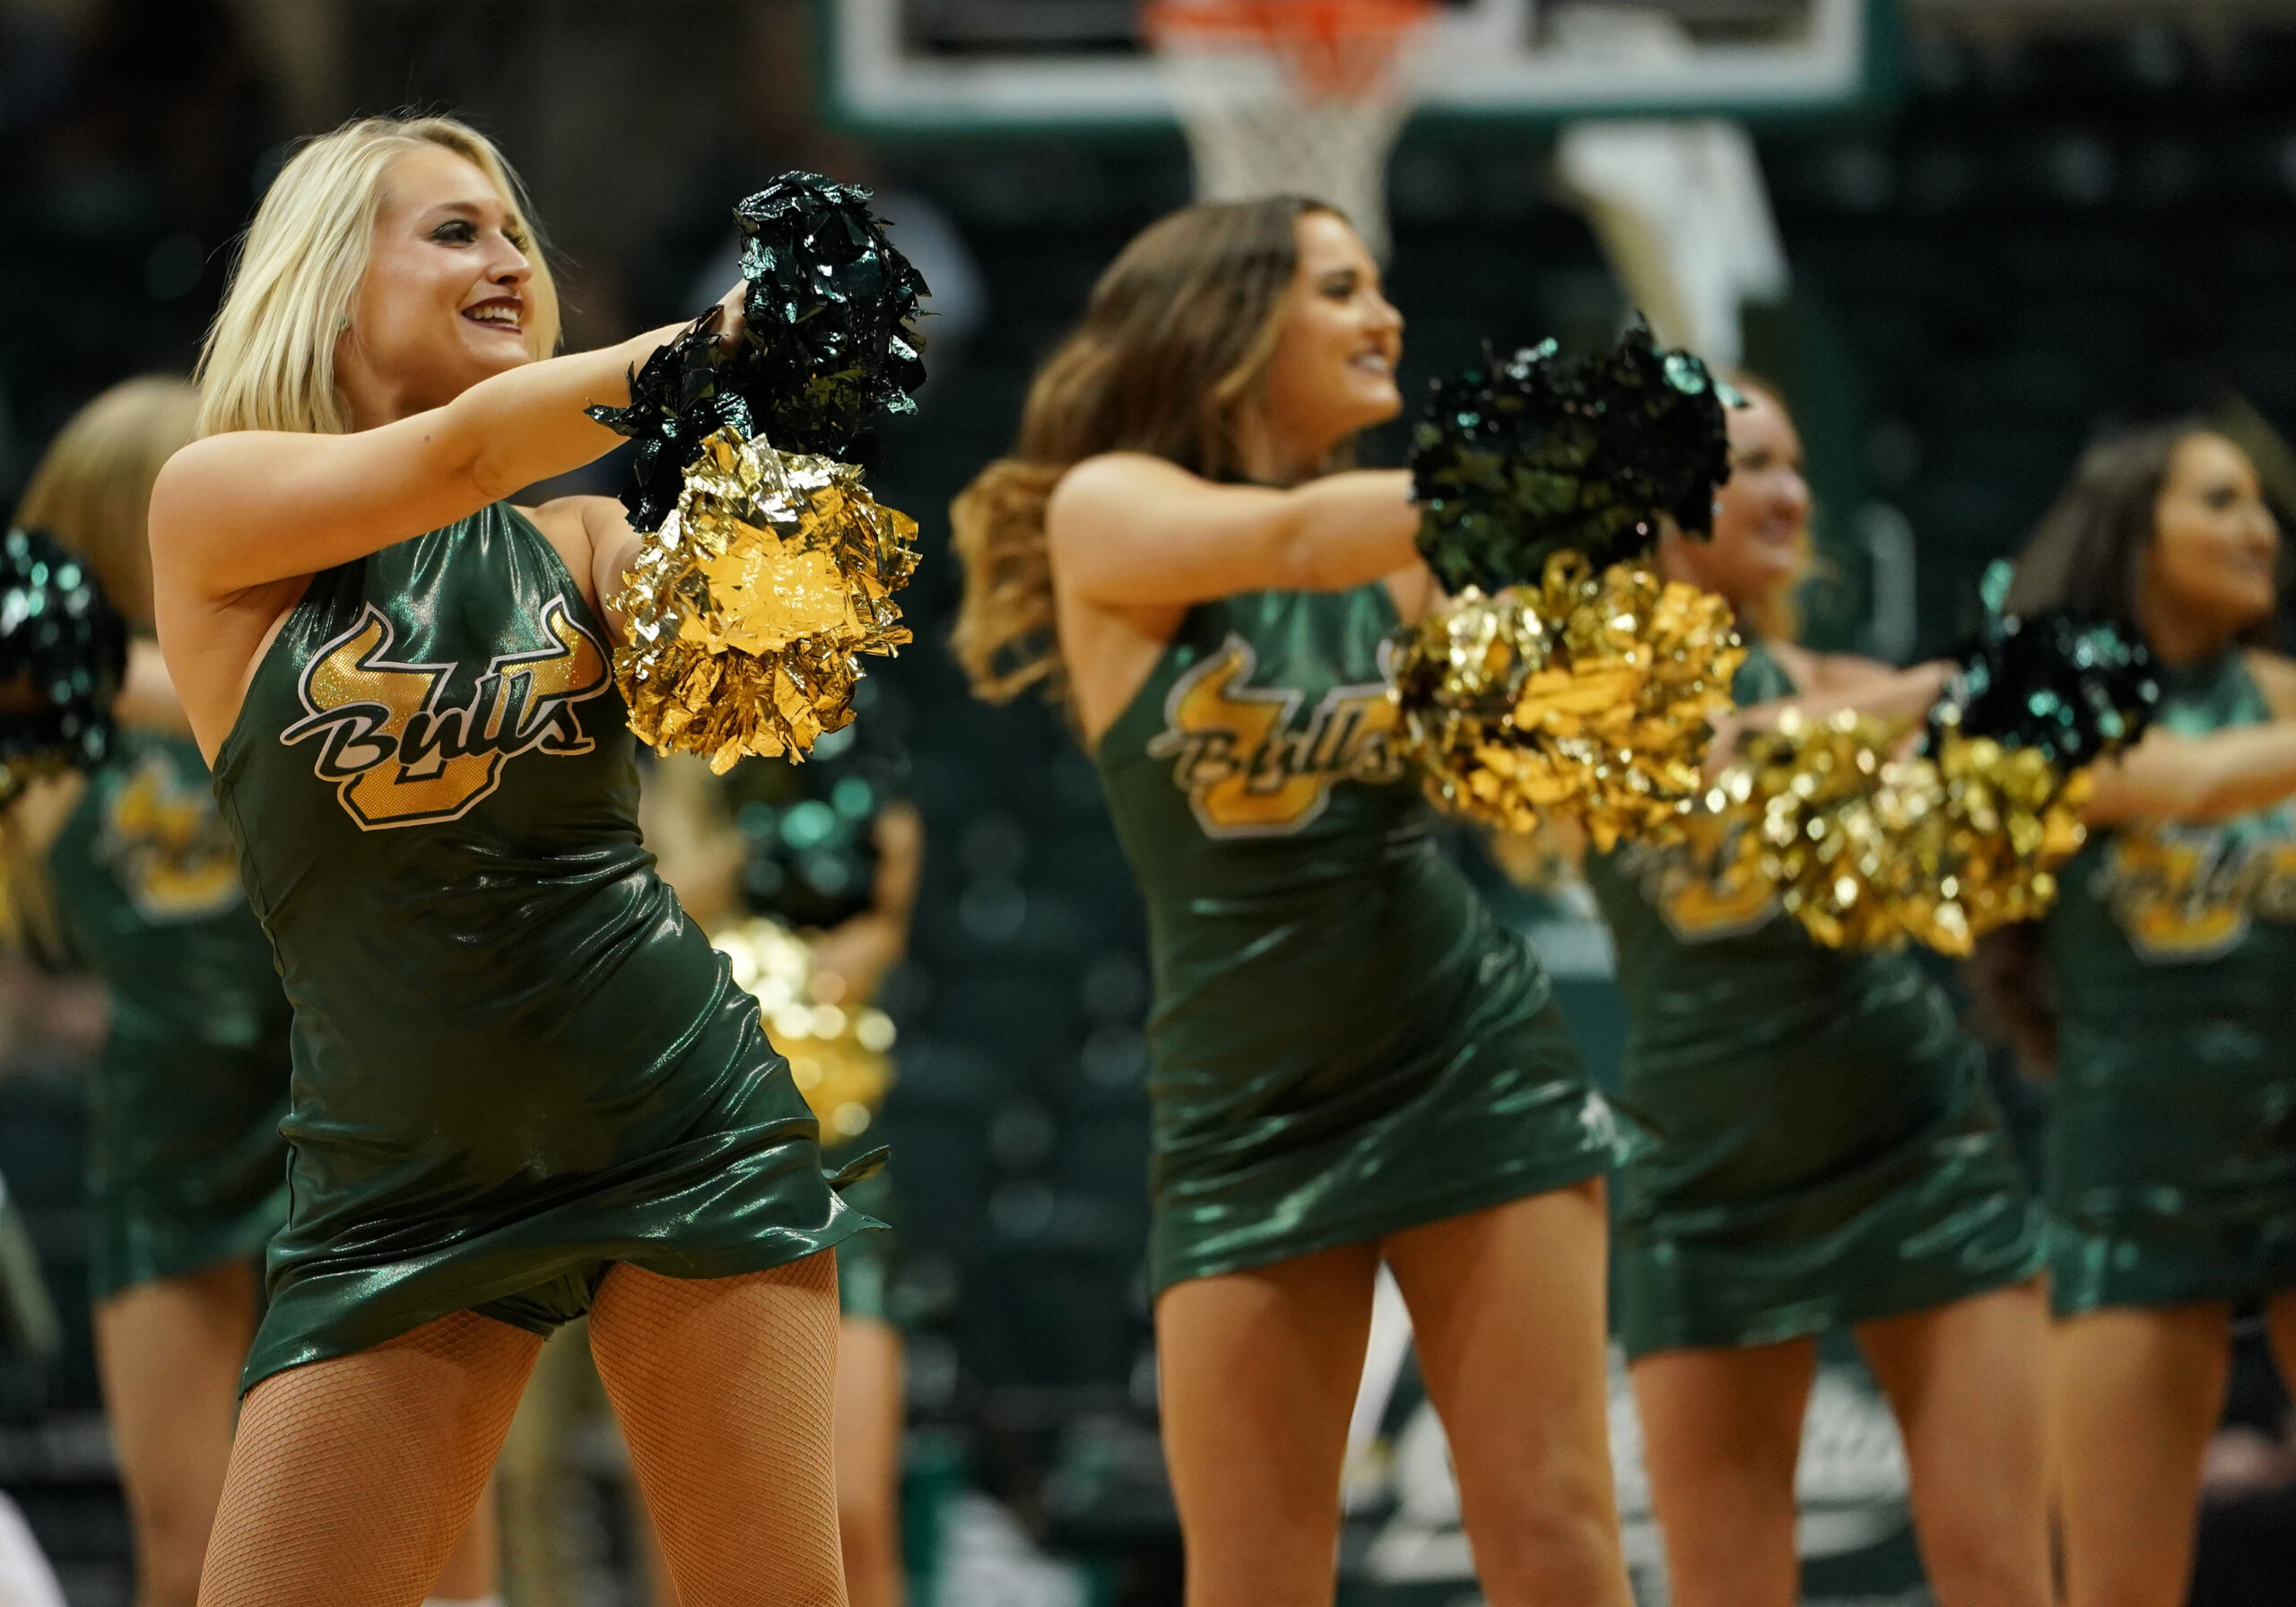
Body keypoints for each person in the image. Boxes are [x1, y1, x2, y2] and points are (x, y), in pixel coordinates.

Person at [146, 114, 876, 1607]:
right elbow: (465, 448)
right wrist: (722, 336)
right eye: (454, 230)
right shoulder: (220, 505)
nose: (507, 260)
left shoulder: (587, 538)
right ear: (331, 281)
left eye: (517, 237)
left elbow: (778, 694)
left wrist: (774, 459)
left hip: (682, 1124)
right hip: (400, 1181)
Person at [951, 196, 1635, 1607]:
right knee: (1256, 1572)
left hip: (1468, 1063)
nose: (1385, 317)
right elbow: (1305, 540)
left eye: (1380, 286)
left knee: (1556, 1537)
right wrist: (1525, 460)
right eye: (1340, 287)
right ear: (1232, 325)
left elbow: (1531, 792)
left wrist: (1589, 661)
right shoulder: (1112, 509)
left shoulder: (1406, 547)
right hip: (1246, 1107)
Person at [7, 377, 502, 1607]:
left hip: (355, 1132)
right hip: (169, 1139)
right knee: (189, 1562)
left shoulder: (315, 664)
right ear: (130, 516)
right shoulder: (59, 716)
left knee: (426, 1551)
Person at [1580, 378, 2051, 1607]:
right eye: (1752, 468)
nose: (1791, 494)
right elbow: (1713, 760)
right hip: (1708, 1187)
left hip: (1917, 1153)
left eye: (1794, 465)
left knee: (2005, 1577)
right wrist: (1932, 690)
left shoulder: (1837, 677)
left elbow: (1963, 859)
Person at [1974, 421, 2296, 1607]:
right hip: (2129, 1175)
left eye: (2261, 503)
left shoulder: (2285, 704)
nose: (2260, 528)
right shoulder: (2040, 712)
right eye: (2220, 501)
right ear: (2132, 533)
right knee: (2115, 1584)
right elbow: (2195, 784)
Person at [641, 726, 921, 1607]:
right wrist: (731, 849)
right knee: (701, 1537)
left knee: (853, 1513)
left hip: (838, 1168)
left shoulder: (849, 758)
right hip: (696, 1169)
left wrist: (877, 929)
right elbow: (630, 915)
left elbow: (896, 874)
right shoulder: (640, 768)